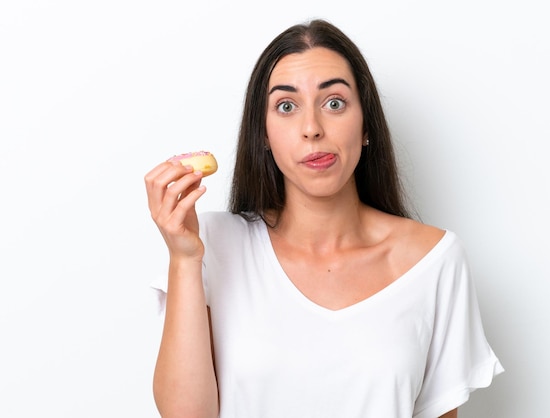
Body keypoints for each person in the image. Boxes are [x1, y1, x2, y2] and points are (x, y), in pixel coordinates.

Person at [145, 19, 503, 418]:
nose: (312, 128)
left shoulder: (434, 260)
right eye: (286, 106)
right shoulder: (212, 244)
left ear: (366, 123)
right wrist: (183, 258)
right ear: (262, 134)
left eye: (334, 102)